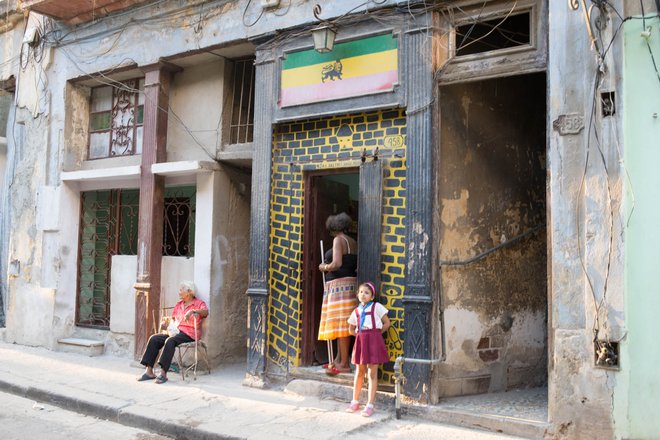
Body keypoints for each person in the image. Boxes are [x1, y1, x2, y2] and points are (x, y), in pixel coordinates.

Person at [137, 280, 208, 384]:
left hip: (189, 334)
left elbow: (205, 312)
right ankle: (149, 371)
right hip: (176, 332)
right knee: (154, 338)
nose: (179, 292)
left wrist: (192, 311)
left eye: (181, 290)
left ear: (189, 291)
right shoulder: (179, 305)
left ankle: (163, 373)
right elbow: (174, 320)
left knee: (170, 341)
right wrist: (166, 323)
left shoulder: (198, 303)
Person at [318, 212, 358, 375]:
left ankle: (343, 363)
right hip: (349, 284)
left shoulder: (338, 240)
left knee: (342, 324)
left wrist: (324, 267)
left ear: (333, 228)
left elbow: (336, 263)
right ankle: (338, 359)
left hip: (339, 286)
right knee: (344, 322)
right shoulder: (352, 241)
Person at [345, 281, 390, 417]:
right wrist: (361, 336)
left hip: (374, 340)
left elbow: (387, 323)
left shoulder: (377, 307)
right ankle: (355, 401)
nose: (363, 295)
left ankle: (370, 405)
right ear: (357, 295)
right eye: (361, 292)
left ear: (372, 297)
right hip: (361, 341)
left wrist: (375, 334)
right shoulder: (356, 311)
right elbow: (351, 329)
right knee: (359, 371)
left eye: (367, 293)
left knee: (372, 373)